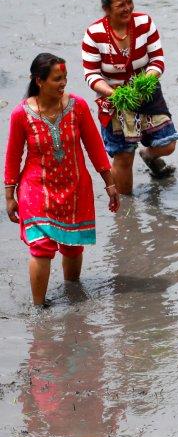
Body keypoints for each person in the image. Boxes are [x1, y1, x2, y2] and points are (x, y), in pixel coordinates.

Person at [5, 54, 120, 306]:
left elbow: (95, 147)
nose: (63, 83)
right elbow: (13, 156)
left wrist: (110, 183)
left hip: (75, 188)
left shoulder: (77, 107)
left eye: (65, 78)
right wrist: (9, 196)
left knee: (72, 245)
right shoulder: (20, 115)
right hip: (36, 190)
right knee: (42, 248)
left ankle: (72, 294)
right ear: (39, 81)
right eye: (57, 79)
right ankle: (39, 308)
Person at [80, 0, 178, 193]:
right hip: (115, 101)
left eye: (129, 2)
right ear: (106, 8)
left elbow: (157, 59)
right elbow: (91, 74)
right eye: (120, 5)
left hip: (146, 94)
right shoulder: (93, 34)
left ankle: (148, 155)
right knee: (124, 156)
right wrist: (111, 93)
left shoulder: (144, 23)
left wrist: (147, 80)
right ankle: (126, 211)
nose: (127, 8)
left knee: (167, 144)